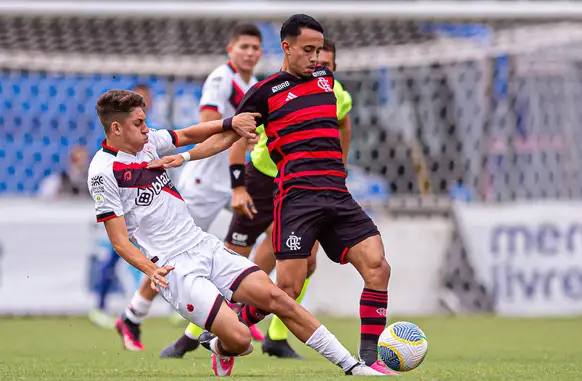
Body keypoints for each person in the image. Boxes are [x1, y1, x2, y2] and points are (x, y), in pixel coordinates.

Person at [149, 14, 396, 375]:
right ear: (287, 47)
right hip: (297, 200)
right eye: (308, 50)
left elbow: (344, 119)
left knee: (378, 267)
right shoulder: (265, 93)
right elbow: (229, 134)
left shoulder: (327, 81)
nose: (315, 58)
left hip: (338, 195)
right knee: (287, 289)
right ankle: (222, 338)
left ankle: (371, 360)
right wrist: (185, 156)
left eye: (320, 52)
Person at [88, 89, 384, 377]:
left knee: (279, 299)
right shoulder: (103, 172)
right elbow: (119, 240)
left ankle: (353, 367)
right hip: (174, 268)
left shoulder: (148, 142)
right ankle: (220, 345)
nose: (146, 129)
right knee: (241, 340)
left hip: (203, 245)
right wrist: (151, 270)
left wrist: (230, 123)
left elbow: (189, 134)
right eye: (139, 123)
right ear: (116, 127)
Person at [160, 38, 353, 360]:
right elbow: (239, 134)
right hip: (262, 180)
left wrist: (339, 169)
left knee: (305, 262)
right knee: (233, 258)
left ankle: (276, 337)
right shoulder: (276, 92)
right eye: (317, 62)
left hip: (304, 188)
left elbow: (343, 125)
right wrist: (238, 186)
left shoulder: (337, 94)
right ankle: (193, 334)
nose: (321, 70)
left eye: (327, 66)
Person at [113, 24, 265, 352]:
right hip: (203, 181)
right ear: (230, 50)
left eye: (255, 47)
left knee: (253, 239)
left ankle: (231, 313)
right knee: (177, 254)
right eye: (244, 47)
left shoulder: (252, 84)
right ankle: (133, 315)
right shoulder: (221, 79)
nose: (250, 53)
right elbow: (208, 124)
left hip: (234, 177)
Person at [88, 84, 161, 330]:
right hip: (124, 208)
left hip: (144, 206)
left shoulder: (146, 129)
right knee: (116, 253)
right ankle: (99, 305)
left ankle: (147, 307)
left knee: (150, 255)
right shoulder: (122, 133)